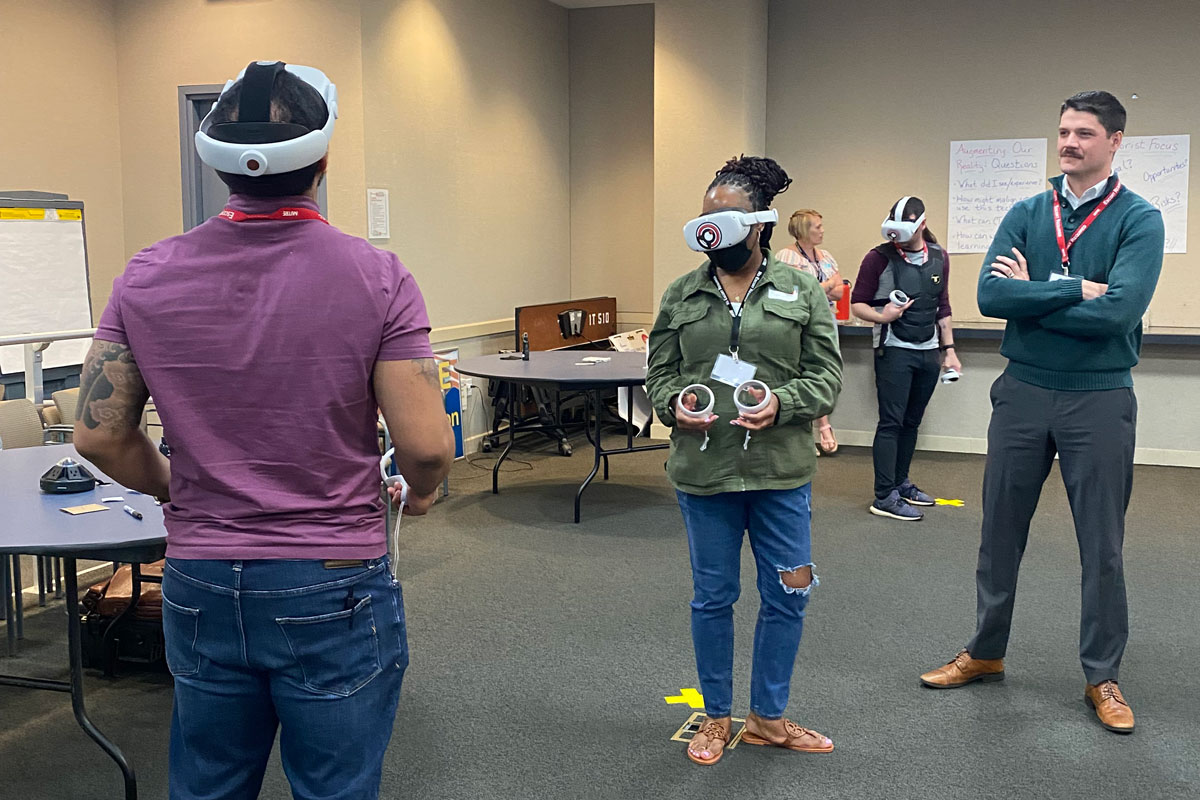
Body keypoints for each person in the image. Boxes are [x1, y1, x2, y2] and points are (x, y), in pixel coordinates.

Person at [73, 61, 454, 799]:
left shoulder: (146, 275)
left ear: (216, 163)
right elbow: (428, 447)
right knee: (333, 787)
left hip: (200, 577)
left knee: (209, 784)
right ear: (324, 156)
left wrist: (177, 486)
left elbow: (96, 434)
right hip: (332, 579)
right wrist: (424, 490)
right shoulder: (378, 277)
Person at [920, 91, 1163, 735]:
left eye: (1085, 133)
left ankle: (1101, 675)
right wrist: (1068, 288)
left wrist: (1034, 294)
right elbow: (991, 294)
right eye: (1063, 131)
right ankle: (986, 652)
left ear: (1115, 142)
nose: (1070, 143)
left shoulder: (1140, 219)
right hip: (1023, 391)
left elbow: (1119, 312)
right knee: (999, 531)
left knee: (1101, 544)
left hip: (1100, 396)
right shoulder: (1027, 211)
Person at [646, 155, 843, 766]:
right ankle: (715, 716)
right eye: (706, 218)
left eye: (727, 218)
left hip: (780, 473)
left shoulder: (801, 290)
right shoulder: (682, 293)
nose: (714, 230)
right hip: (704, 475)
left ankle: (768, 717)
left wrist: (784, 403)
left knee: (788, 595)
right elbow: (659, 372)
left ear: (759, 224)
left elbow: (827, 377)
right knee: (713, 598)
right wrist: (673, 405)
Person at [850, 197, 961, 521]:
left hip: (928, 350)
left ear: (921, 225)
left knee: (912, 422)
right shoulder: (877, 258)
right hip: (894, 349)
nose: (894, 238)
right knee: (891, 422)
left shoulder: (940, 257)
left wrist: (949, 350)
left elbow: (943, 306)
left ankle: (901, 483)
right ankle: (884, 495)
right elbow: (858, 304)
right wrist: (882, 316)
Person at [777, 209, 844, 455]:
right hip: (796, 323)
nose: (822, 230)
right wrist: (824, 287)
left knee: (821, 372)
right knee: (798, 373)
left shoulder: (825, 256)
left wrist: (817, 288)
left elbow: (840, 291)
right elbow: (789, 292)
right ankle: (804, 432)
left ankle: (824, 424)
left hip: (824, 322)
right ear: (805, 229)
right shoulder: (786, 257)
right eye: (817, 226)